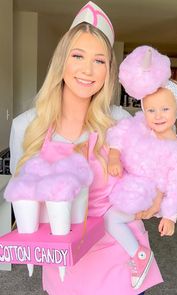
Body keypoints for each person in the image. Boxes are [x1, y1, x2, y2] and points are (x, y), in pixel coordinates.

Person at [9, 2, 161, 295]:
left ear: (109, 70)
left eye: (100, 60)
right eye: (78, 55)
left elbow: (148, 182)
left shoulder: (121, 122)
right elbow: (23, 200)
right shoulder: (26, 127)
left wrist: (155, 199)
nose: (87, 70)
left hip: (120, 258)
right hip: (65, 265)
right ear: (61, 61)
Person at [105, 46, 177, 289]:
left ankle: (139, 255)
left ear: (176, 110)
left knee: (112, 220)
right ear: (144, 111)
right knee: (112, 216)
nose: (158, 116)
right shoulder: (140, 128)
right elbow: (118, 135)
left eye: (165, 109)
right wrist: (114, 157)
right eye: (151, 110)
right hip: (133, 186)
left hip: (147, 196)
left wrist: (170, 216)